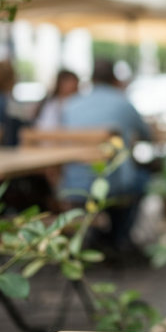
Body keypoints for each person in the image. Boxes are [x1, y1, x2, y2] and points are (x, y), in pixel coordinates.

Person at [61, 60, 153, 256]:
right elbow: (147, 135)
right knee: (144, 181)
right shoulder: (123, 102)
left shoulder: (70, 105)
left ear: (92, 80)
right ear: (114, 79)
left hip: (73, 183)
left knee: (121, 180)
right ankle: (119, 236)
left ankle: (100, 235)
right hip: (113, 183)